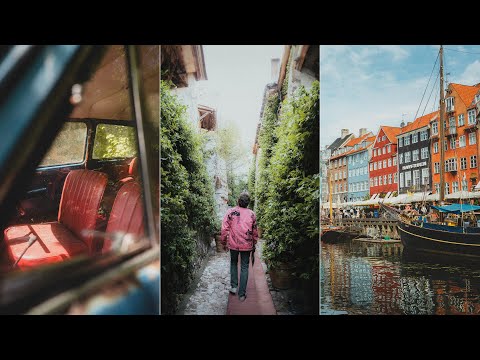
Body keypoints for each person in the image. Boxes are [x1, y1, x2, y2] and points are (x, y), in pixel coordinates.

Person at [221, 192, 258, 302]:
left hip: (233, 244)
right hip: (247, 245)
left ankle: (233, 287)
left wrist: (223, 242)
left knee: (233, 262)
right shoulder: (252, 214)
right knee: (244, 267)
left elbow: (224, 229)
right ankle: (241, 294)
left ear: (238, 201)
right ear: (248, 203)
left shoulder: (230, 212)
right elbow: (255, 231)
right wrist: (254, 242)